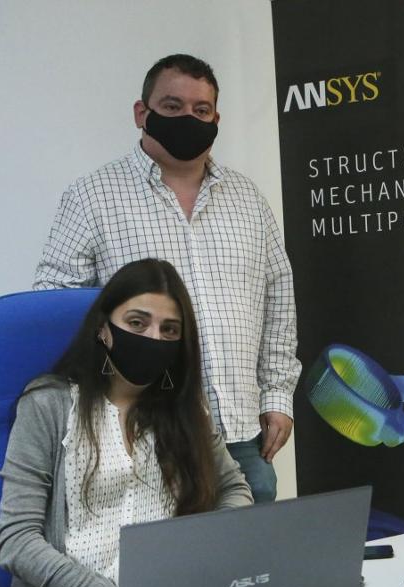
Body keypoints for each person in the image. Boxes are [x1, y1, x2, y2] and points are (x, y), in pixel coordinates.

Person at [33, 53, 300, 504]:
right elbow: (52, 304)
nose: (188, 119)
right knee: (157, 572)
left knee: (252, 573)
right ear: (143, 113)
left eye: (201, 111)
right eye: (172, 107)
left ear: (217, 118)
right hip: (139, 437)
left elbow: (279, 303)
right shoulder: (92, 197)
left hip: (239, 441)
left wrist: (277, 396)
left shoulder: (248, 199)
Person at [0, 258, 253, 587]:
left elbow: (234, 489)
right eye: (137, 323)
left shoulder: (186, 409)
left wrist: (203, 554)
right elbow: (17, 540)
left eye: (169, 330)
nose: (153, 338)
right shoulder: (48, 405)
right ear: (103, 328)